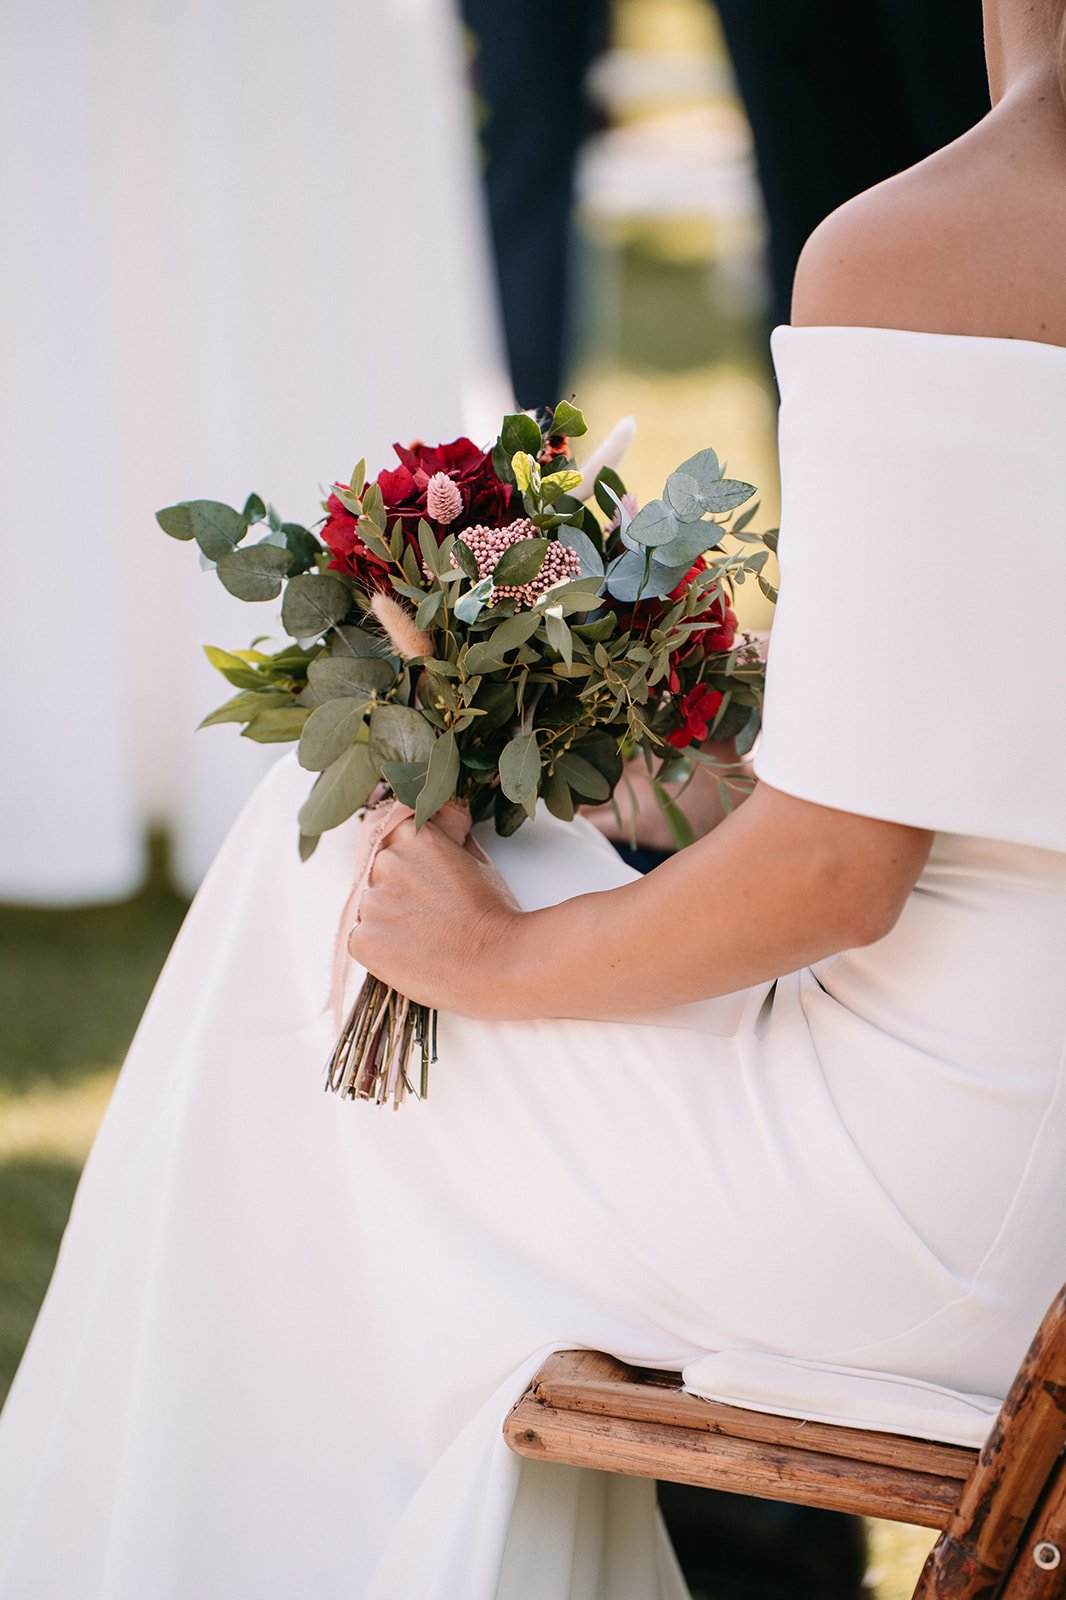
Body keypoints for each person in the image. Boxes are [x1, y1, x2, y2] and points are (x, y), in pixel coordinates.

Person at [2, 4, 1065, 1597]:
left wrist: (493, 957)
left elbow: (837, 878)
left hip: (953, 1204)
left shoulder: (939, 244)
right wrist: (734, 750)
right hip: (1022, 1178)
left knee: (318, 900)